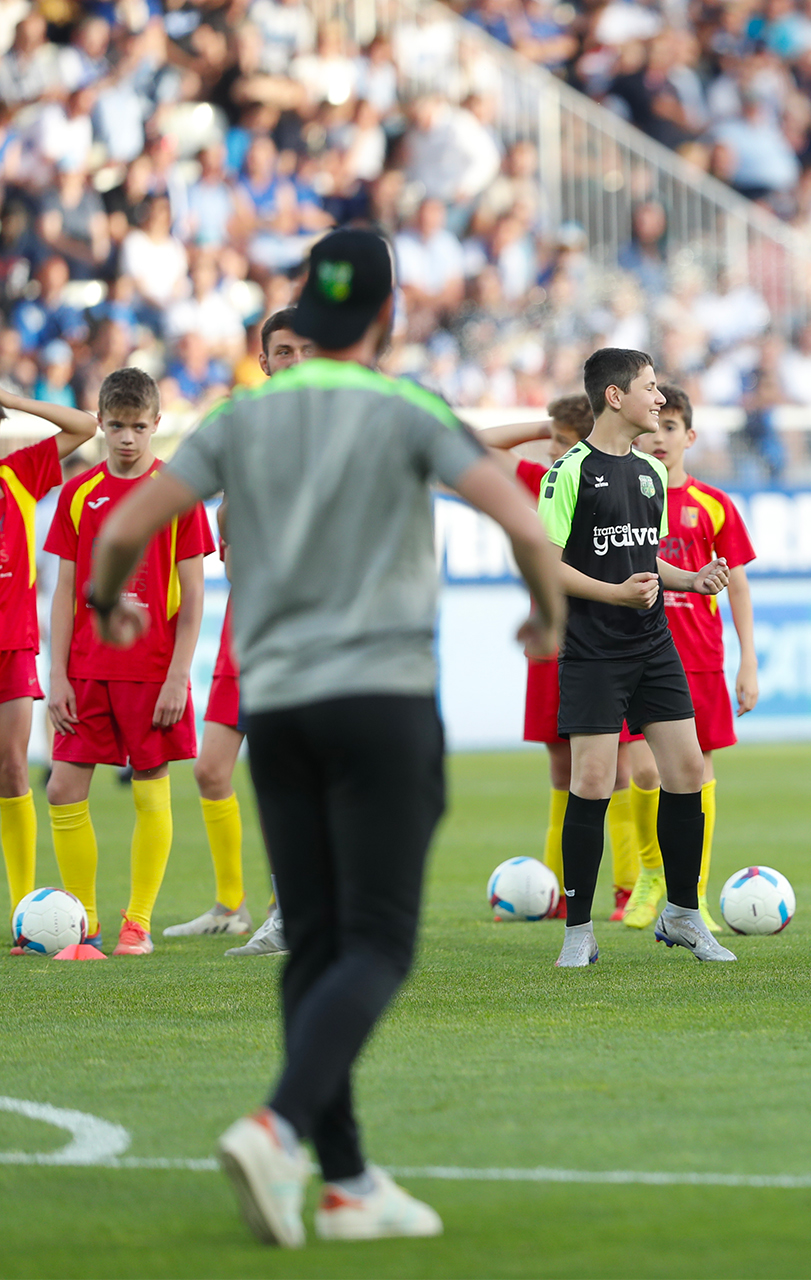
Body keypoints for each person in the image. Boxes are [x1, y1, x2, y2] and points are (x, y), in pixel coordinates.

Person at [90, 226, 565, 1243]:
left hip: (279, 706)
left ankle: (347, 1182)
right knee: (382, 938)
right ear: (388, 315)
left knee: (312, 935)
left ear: (307, 306)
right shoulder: (404, 407)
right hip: (381, 699)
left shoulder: (240, 417)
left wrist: (108, 602)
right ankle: (279, 1124)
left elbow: (127, 526)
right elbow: (522, 523)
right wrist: (547, 616)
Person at [539, 348, 733, 968]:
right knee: (591, 783)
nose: (659, 398)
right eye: (650, 388)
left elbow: (642, 558)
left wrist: (691, 578)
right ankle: (578, 932)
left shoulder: (650, 475)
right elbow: (548, 569)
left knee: (687, 773)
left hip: (654, 648)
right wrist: (614, 594)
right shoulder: (566, 473)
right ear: (615, 397)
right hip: (594, 653)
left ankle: (681, 914)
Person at [45, 367, 214, 957]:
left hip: (152, 672)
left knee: (151, 786)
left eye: (138, 427)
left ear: (156, 426)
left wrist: (177, 676)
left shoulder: (177, 493)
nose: (126, 439)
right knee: (63, 790)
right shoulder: (77, 493)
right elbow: (65, 592)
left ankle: (136, 924)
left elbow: (193, 596)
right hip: (86, 670)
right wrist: (57, 672)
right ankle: (81, 926)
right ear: (99, 424)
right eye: (116, 426)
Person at [167, 308, 315, 948]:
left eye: (306, 350)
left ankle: (297, 911)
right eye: (284, 351)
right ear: (264, 361)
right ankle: (233, 904)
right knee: (211, 769)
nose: (295, 361)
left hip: (299, 623)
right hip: (243, 624)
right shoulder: (243, 422)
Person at [623, 383, 759, 932]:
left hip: (699, 659)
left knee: (697, 772)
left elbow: (739, 586)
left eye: (672, 428)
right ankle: (652, 871)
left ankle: (693, 895)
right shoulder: (626, 494)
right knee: (643, 769)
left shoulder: (713, 505)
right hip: (636, 652)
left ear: (690, 436)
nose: (660, 436)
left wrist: (748, 660)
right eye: (654, 426)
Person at [476, 394, 599, 919]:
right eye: (552, 445)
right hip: (553, 638)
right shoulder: (543, 480)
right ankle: (557, 891)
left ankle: (629, 887)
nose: (555, 454)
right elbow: (475, 444)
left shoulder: (607, 481)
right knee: (558, 762)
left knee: (614, 768)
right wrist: (547, 426)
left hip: (602, 637)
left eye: (567, 445)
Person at [0, 385, 97, 931]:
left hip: (10, 645)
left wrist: (15, 398)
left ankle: (22, 913)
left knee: (13, 769)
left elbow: (85, 426)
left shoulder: (18, 472)